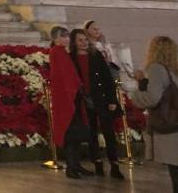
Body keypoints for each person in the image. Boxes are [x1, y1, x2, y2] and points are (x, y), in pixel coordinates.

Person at [128, 35, 178, 193]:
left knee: (176, 172)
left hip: (171, 126)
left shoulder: (156, 68)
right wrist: (143, 82)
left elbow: (153, 98)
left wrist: (134, 95)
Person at [70, 28, 125, 179]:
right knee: (91, 133)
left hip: (100, 98)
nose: (83, 43)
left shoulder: (96, 56)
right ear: (74, 42)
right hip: (84, 100)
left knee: (108, 133)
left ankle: (114, 164)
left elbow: (107, 79)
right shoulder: (72, 58)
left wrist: (112, 100)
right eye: (80, 40)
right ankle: (98, 163)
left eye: (85, 40)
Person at [49, 25, 92, 178]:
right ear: (56, 39)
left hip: (72, 97)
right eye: (64, 36)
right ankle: (71, 167)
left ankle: (76, 165)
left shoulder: (62, 52)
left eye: (67, 36)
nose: (67, 39)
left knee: (75, 133)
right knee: (70, 133)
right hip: (67, 99)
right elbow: (65, 77)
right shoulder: (57, 52)